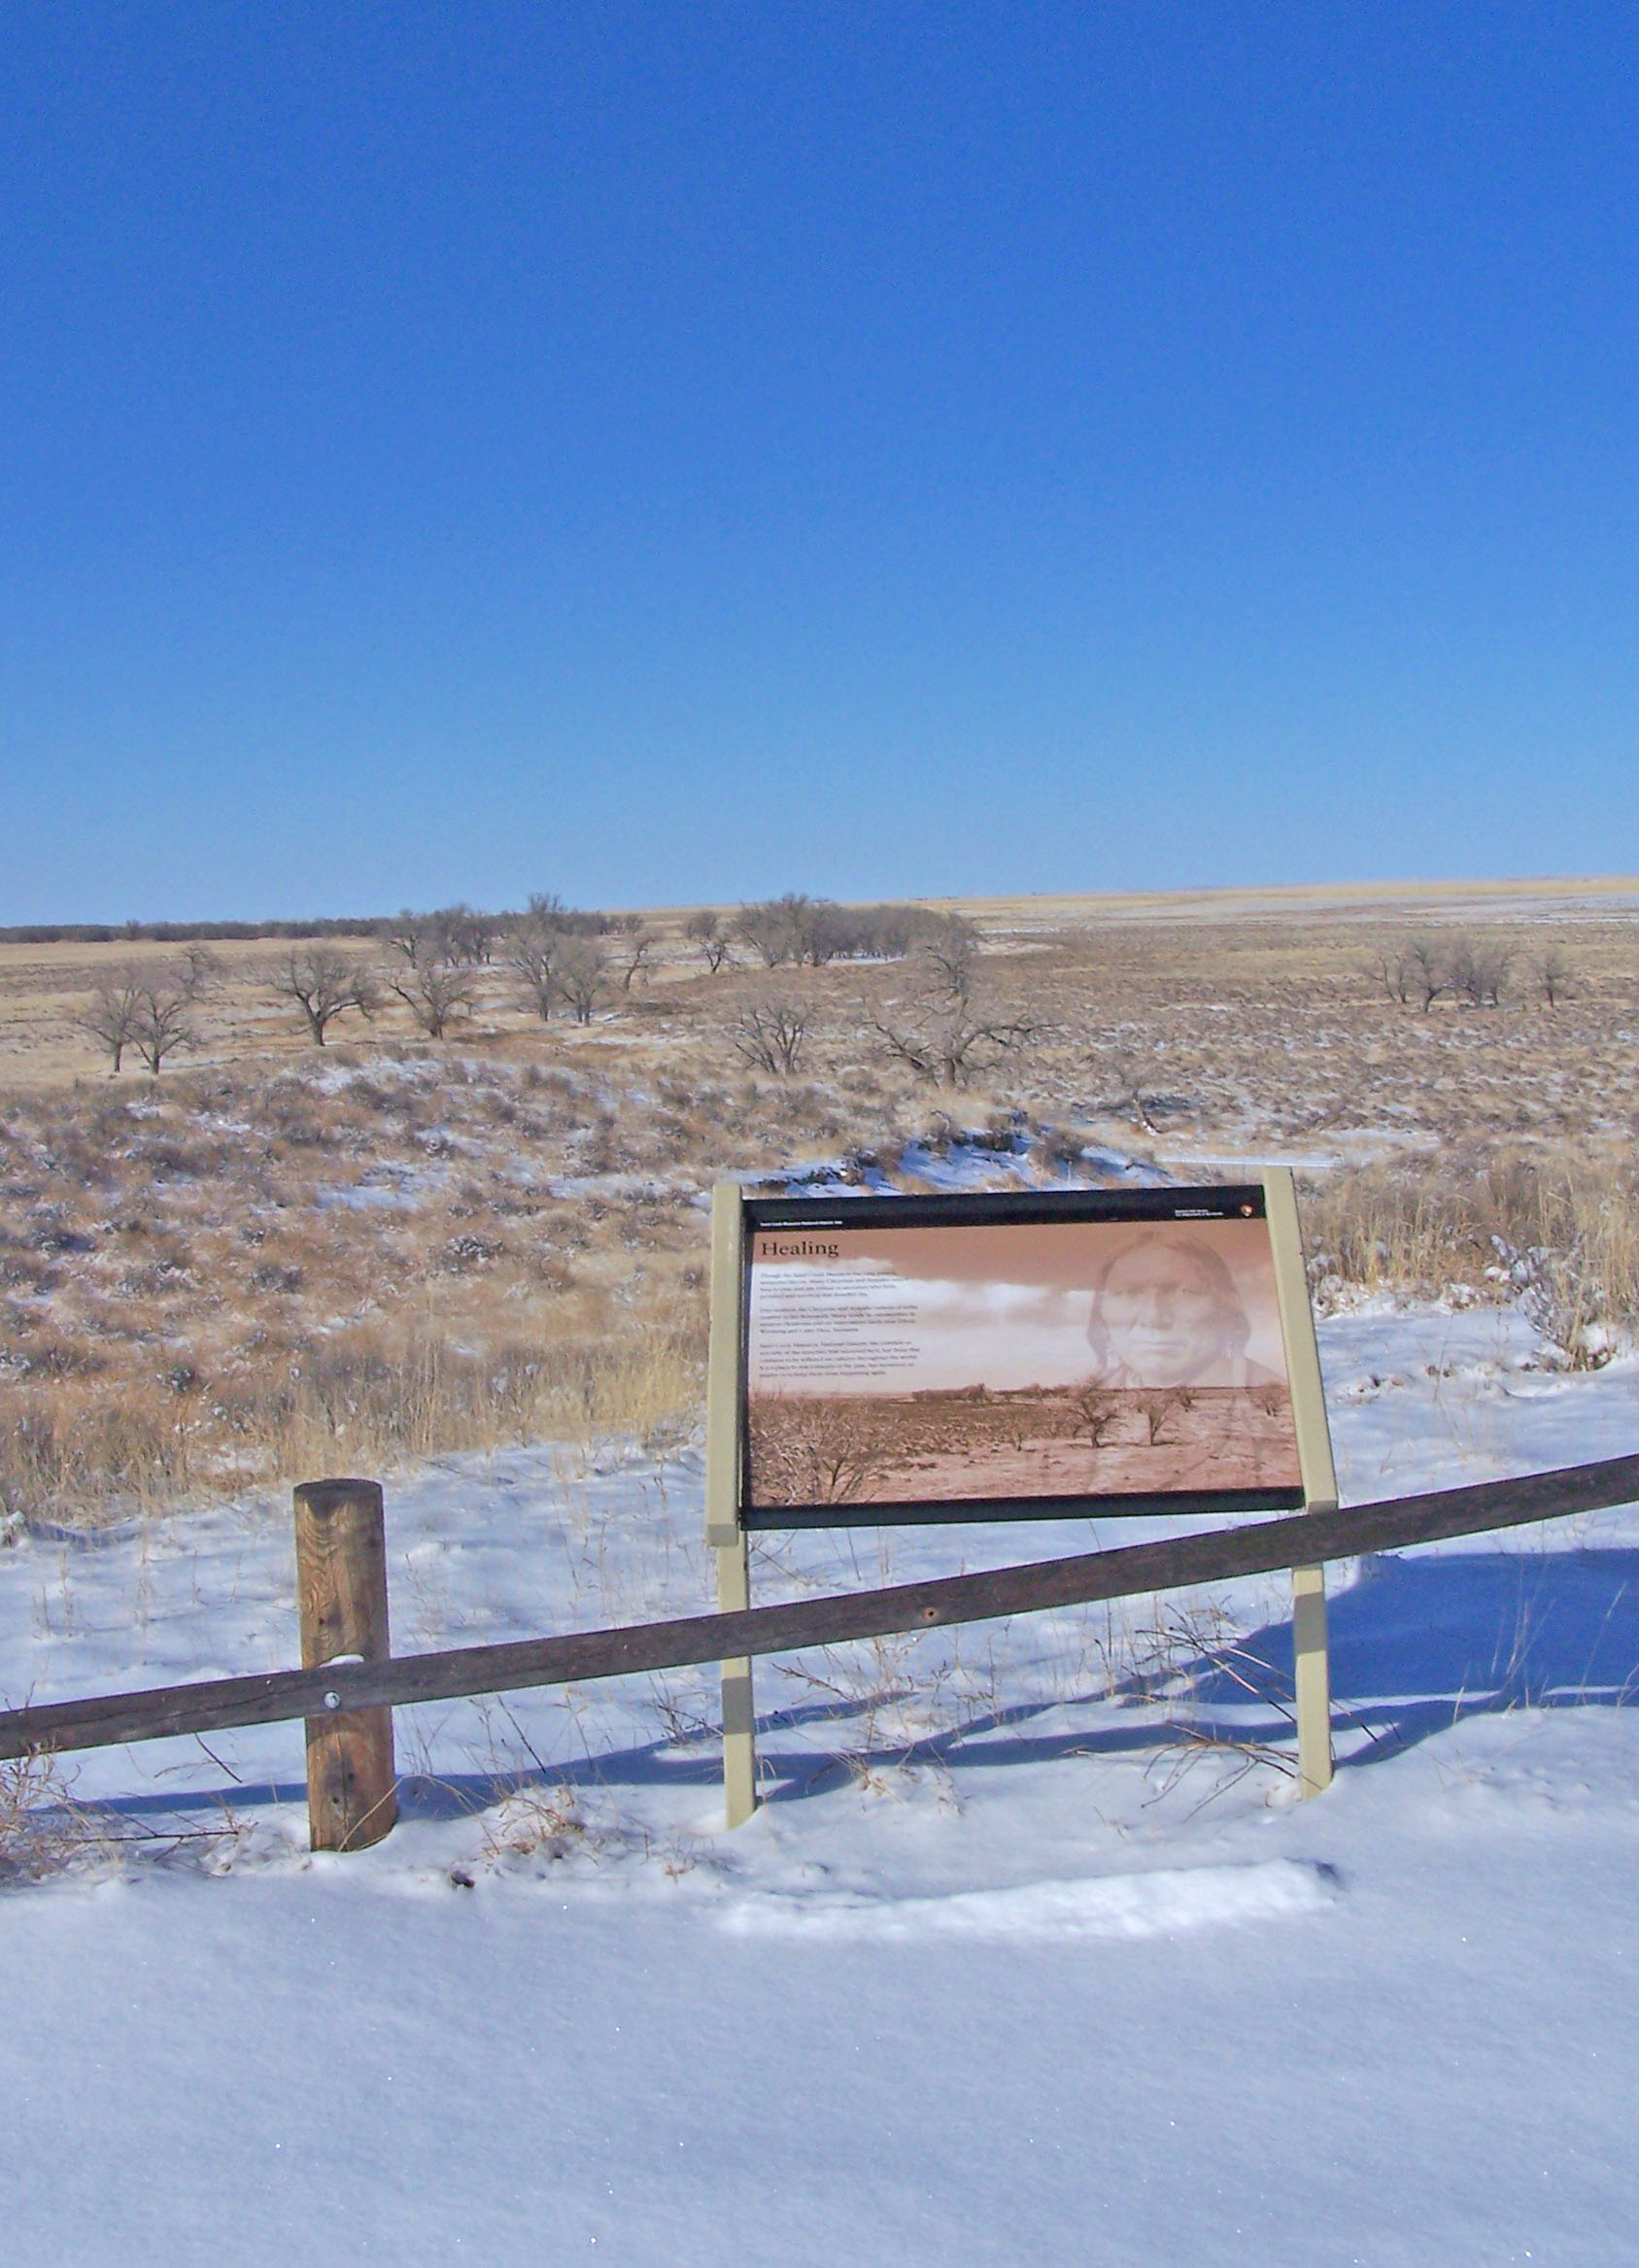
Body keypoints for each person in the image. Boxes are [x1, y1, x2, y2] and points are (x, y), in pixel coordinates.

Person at [1084, 1232, 1283, 1389]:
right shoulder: (1085, 1398)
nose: (1153, 1317)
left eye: (1185, 1293)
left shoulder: (1274, 1392)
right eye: (1128, 1293)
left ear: (1225, 1307)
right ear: (1101, 1312)